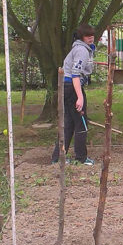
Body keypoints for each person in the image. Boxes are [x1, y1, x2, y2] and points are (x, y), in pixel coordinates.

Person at [51, 23, 95, 165]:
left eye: (92, 35)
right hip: (72, 86)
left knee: (69, 123)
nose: (91, 38)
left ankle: (57, 157)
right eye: (88, 36)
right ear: (82, 37)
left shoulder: (79, 48)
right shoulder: (81, 50)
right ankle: (81, 158)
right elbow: (75, 74)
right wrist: (80, 97)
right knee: (81, 123)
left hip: (67, 86)